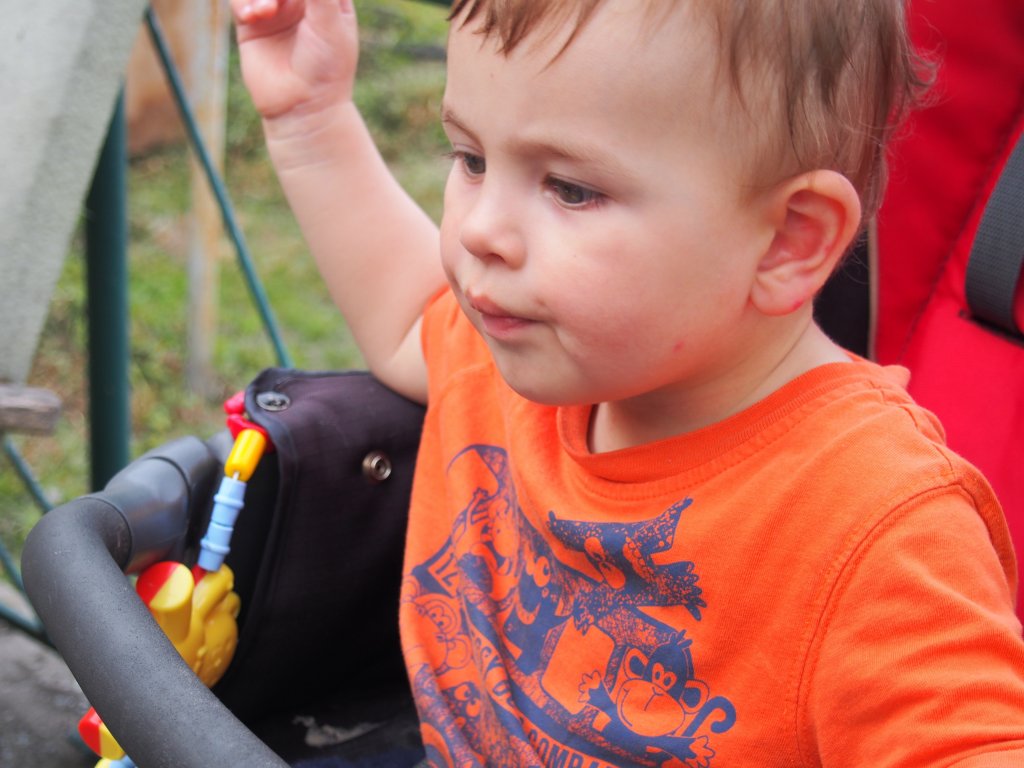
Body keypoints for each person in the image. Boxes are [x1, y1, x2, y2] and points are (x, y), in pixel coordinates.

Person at [231, 0, 1024, 764]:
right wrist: (308, 119)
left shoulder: (876, 527)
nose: (480, 231)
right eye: (471, 159)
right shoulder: (526, 351)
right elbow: (410, 318)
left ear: (788, 238)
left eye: (570, 188)